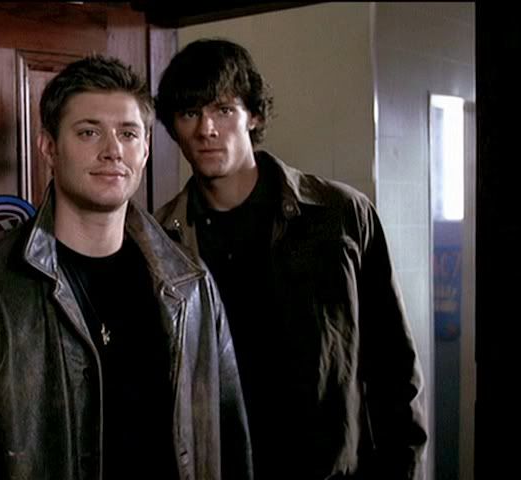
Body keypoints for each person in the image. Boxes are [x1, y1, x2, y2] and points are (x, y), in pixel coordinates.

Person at [0, 55, 252, 480]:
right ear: (49, 148)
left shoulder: (189, 283)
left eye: (128, 134)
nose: (112, 151)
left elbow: (229, 441)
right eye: (89, 132)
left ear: (146, 149)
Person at [155, 38, 428, 479]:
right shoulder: (161, 241)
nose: (206, 129)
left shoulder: (339, 215)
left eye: (223, 110)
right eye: (190, 113)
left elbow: (394, 366)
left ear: (253, 115)